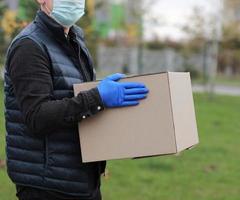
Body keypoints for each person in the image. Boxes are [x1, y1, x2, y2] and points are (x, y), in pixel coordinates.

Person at [3, 0, 149, 199]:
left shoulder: (74, 40)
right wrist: (98, 96)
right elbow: (37, 116)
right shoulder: (29, 46)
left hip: (81, 179)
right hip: (47, 186)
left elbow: (74, 99)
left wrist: (98, 93)